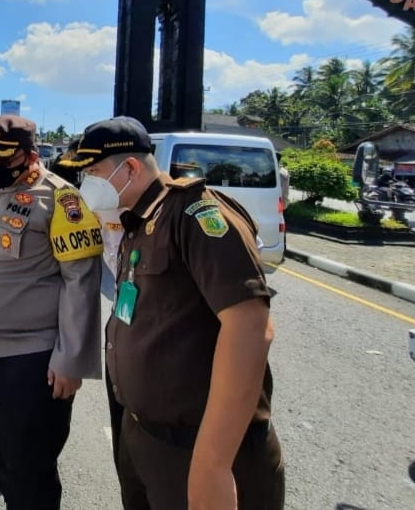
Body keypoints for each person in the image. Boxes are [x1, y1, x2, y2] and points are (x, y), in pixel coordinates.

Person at [63, 116, 285, 510]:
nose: (86, 184)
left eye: (93, 172)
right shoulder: (137, 220)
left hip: (195, 446)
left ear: (129, 168)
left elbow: (250, 326)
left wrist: (213, 465)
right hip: (145, 436)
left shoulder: (195, 215)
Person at [0, 116, 104, 509]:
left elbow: (82, 282)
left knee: (30, 470)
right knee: (8, 462)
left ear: (29, 156)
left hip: (33, 358)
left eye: (2, 158)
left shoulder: (61, 199)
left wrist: (71, 359)